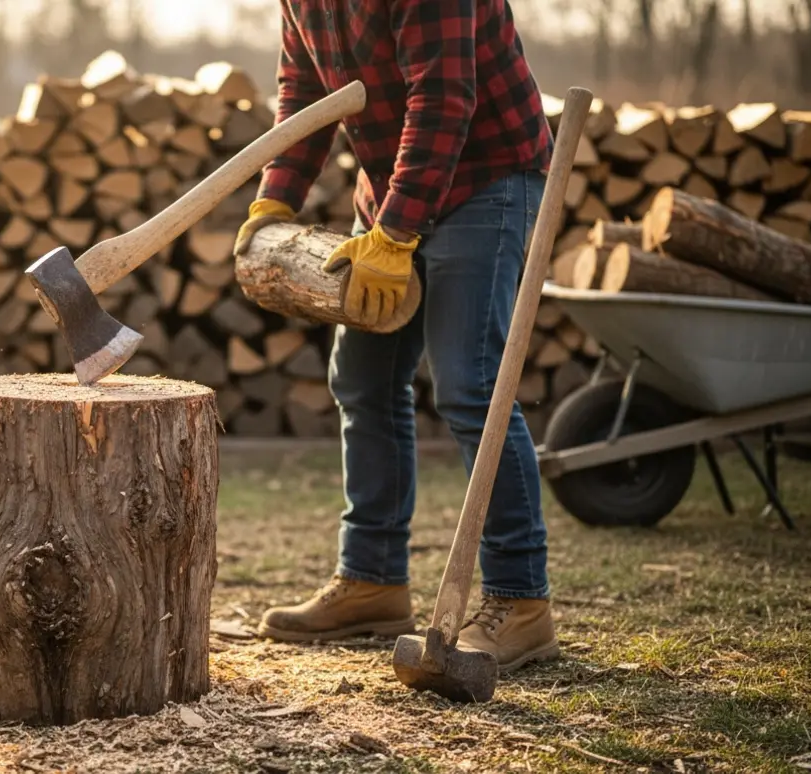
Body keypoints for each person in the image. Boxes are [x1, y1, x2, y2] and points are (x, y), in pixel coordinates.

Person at [233, 0, 560, 672]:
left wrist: (397, 230)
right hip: (391, 186)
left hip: (486, 175)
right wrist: (277, 195)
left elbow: (443, 96)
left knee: (472, 387)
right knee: (362, 380)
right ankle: (373, 581)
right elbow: (306, 92)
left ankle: (521, 601)